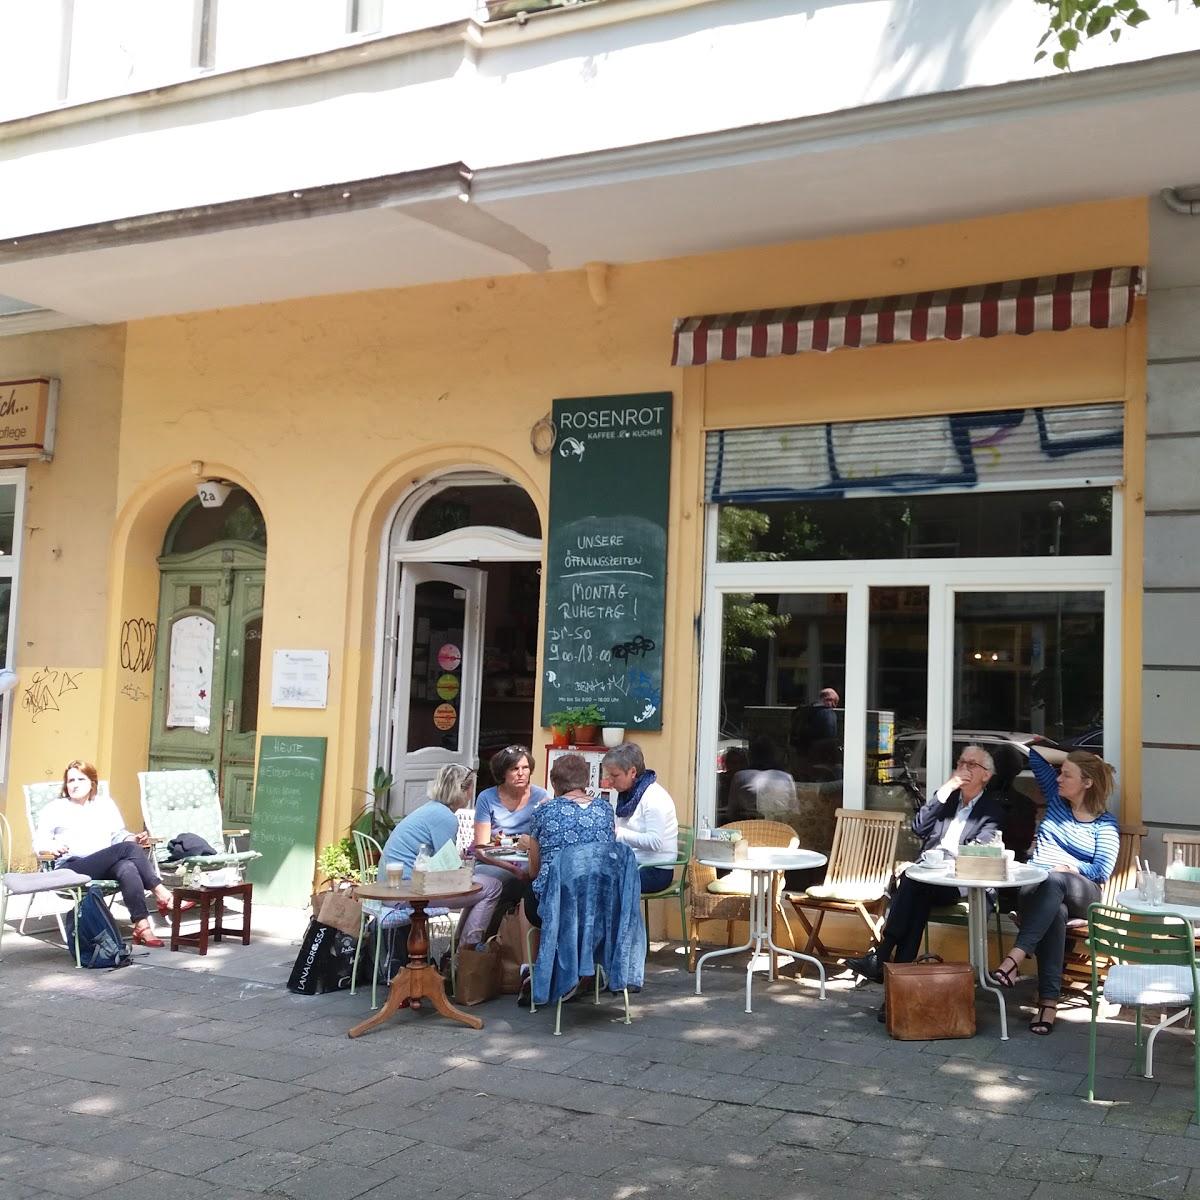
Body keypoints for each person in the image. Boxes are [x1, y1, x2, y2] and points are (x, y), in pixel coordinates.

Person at [845, 745, 1005, 983]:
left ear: (986, 775)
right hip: (927, 880)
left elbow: (975, 854)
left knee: (912, 882)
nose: (963, 768)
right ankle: (896, 986)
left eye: (971, 765)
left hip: (958, 882)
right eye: (960, 763)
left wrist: (936, 865)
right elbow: (919, 828)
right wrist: (947, 788)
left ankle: (881, 957)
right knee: (916, 899)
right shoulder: (947, 799)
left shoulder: (992, 810)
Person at [987, 747, 1119, 1036]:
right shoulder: (1057, 802)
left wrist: (1072, 868)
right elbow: (1035, 753)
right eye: (1060, 772)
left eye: (1067, 775)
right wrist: (1076, 758)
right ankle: (1048, 1003)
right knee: (1054, 910)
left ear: (1087, 783)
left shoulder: (1104, 824)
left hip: (1081, 894)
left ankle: (1015, 959)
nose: (1059, 778)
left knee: (1055, 880)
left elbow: (1101, 871)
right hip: (1039, 892)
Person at [33, 759, 190, 948]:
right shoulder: (55, 808)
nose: (74, 785)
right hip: (71, 867)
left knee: (127, 866)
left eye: (80, 780)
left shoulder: (105, 805)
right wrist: (52, 846)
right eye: (70, 781)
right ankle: (163, 895)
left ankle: (142, 926)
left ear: (92, 782)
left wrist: (133, 838)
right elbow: (39, 841)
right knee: (129, 852)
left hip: (103, 864)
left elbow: (118, 836)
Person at [380, 764, 504, 948]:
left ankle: (458, 949)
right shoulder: (445, 817)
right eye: (471, 788)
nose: (472, 794)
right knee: (492, 886)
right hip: (407, 894)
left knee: (477, 887)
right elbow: (450, 871)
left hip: (394, 888)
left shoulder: (431, 809)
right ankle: (466, 952)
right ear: (464, 790)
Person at [523, 753, 615, 928]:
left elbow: (534, 871)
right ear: (586, 780)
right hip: (597, 902)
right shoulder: (605, 809)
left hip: (554, 903)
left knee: (526, 896)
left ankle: (533, 955)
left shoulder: (543, 811)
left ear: (554, 783)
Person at [601, 742, 679, 895]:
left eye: (615, 775)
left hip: (655, 871)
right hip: (633, 863)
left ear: (632, 772)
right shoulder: (628, 794)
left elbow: (655, 842)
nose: (610, 781)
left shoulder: (654, 798)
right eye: (608, 775)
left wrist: (619, 833)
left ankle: (621, 920)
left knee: (603, 883)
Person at [472, 744, 550, 881]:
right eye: (514, 769)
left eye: (525, 768)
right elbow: (481, 849)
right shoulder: (486, 798)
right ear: (503, 773)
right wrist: (513, 869)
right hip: (494, 861)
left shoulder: (541, 796)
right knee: (481, 881)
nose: (521, 773)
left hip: (528, 859)